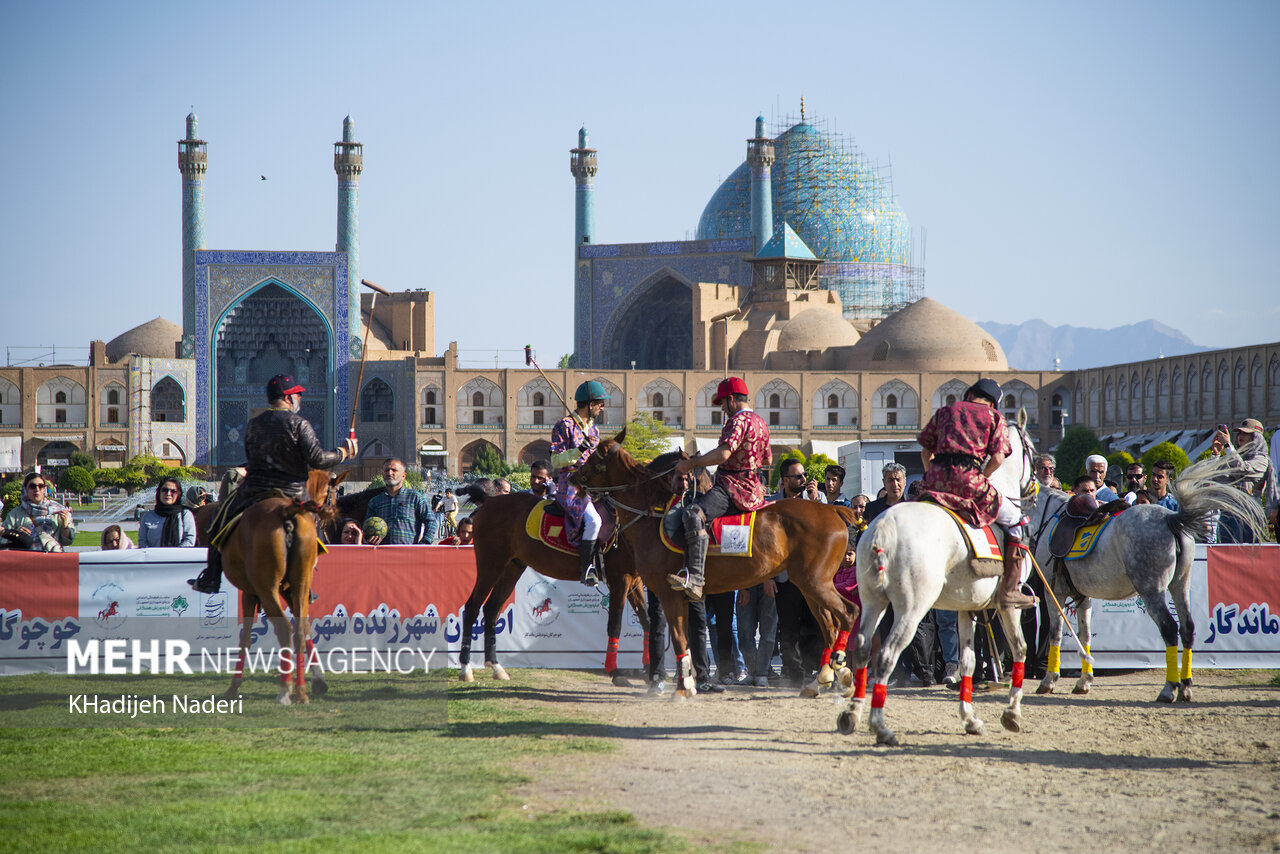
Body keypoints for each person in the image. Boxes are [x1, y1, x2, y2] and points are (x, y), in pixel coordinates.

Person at [188, 374, 356, 594]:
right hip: (293, 492)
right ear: (287, 397)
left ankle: (212, 577)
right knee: (310, 525)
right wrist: (343, 452)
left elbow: (251, 457)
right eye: (297, 395)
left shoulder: (254, 424)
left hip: (255, 491)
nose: (300, 399)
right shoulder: (299, 424)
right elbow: (317, 459)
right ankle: (305, 581)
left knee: (218, 521)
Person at [917, 378, 1036, 609]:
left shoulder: (944, 411)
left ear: (969, 394)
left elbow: (925, 452)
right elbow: (999, 458)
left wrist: (932, 476)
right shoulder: (994, 417)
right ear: (993, 402)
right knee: (1016, 522)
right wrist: (984, 476)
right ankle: (1011, 590)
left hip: (934, 482)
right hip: (969, 482)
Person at [669, 377, 772, 601]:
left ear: (732, 399)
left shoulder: (737, 421)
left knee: (692, 514)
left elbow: (724, 454)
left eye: (723, 403)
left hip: (731, 488)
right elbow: (767, 459)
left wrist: (691, 464)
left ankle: (696, 579)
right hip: (755, 489)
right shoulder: (761, 423)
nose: (723, 408)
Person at [550, 380, 612, 586]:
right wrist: (578, 451)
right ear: (590, 404)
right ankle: (587, 569)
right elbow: (556, 460)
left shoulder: (594, 430)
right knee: (594, 521)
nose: (603, 407)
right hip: (571, 484)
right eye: (600, 403)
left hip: (593, 484)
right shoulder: (564, 425)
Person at [769, 457, 824, 687]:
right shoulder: (771, 504)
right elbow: (766, 544)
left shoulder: (815, 501)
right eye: (798, 476)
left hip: (810, 576)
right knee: (788, 629)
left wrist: (814, 501)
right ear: (784, 479)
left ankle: (812, 671)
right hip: (783, 577)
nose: (804, 479)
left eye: (804, 475)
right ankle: (794, 675)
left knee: (814, 626)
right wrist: (768, 577)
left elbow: (823, 534)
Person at [1214, 419, 1277, 544]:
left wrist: (1228, 447)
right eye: (1239, 433)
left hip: (1249, 514)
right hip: (1228, 512)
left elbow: (1243, 469)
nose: (1240, 436)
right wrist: (1215, 454)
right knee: (1225, 556)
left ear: (1256, 437)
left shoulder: (1262, 459)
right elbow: (1215, 477)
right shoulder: (1232, 456)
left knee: (1248, 557)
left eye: (1246, 433)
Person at [365, 458, 434, 545]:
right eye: (386, 470)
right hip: (382, 554)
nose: (390, 473)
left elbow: (431, 521)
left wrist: (424, 544)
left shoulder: (414, 498)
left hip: (409, 554)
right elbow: (366, 527)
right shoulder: (375, 502)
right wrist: (370, 539)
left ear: (403, 476)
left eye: (394, 470)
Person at [3, 471, 75, 552]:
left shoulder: (58, 511)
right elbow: (2, 540)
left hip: (53, 560)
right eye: (32, 486)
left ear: (44, 489)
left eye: (41, 486)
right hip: (26, 561)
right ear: (26, 489)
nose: (37, 489)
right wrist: (16, 535)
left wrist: (65, 526)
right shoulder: (15, 514)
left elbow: (67, 541)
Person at [138, 476, 197, 547]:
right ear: (159, 492)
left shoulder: (185, 514)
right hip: (153, 557)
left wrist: (173, 555)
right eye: (164, 490)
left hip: (179, 557)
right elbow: (142, 541)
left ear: (178, 494)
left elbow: (189, 539)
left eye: (173, 491)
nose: (168, 493)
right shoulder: (148, 516)